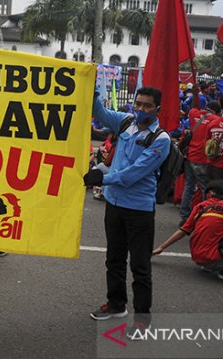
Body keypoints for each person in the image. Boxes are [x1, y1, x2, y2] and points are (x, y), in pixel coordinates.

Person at [86, 86, 170, 337]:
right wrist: (93, 89)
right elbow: (98, 112)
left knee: (140, 266)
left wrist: (101, 177)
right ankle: (116, 305)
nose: (141, 109)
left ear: (158, 109)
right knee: (113, 258)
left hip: (139, 210)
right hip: (114, 204)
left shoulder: (161, 140)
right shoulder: (125, 122)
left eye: (147, 106)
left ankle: (142, 319)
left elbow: (134, 173)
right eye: (139, 103)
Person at [179, 99, 223, 225]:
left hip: (189, 157)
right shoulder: (216, 119)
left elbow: (194, 107)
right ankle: (204, 216)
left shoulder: (193, 114)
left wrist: (195, 94)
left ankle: (184, 217)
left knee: (189, 186)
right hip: (203, 159)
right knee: (205, 189)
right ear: (216, 111)